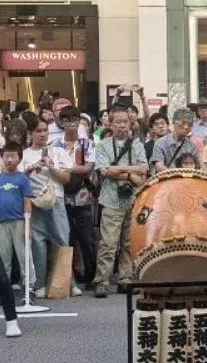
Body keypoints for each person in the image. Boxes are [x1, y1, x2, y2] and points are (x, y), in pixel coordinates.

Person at [21, 116, 79, 298]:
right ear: (30, 134)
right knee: (37, 244)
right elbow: (19, 179)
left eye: (45, 130)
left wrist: (50, 167)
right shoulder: (24, 154)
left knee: (63, 240)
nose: (43, 134)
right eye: (38, 131)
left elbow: (66, 179)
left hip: (56, 200)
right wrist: (31, 168)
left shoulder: (58, 152)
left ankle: (70, 282)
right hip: (34, 202)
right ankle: (40, 283)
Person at [93, 107, 148, 298]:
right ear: (110, 123)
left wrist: (119, 169)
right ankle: (101, 280)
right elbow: (103, 170)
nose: (122, 125)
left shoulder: (137, 144)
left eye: (125, 121)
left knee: (129, 242)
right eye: (118, 121)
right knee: (108, 243)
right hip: (110, 199)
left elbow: (143, 169)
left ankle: (126, 279)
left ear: (130, 122)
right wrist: (131, 173)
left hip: (134, 198)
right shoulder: (103, 145)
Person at [55, 106, 97, 289]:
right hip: (61, 195)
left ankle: (90, 276)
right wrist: (72, 170)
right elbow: (54, 171)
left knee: (87, 240)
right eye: (67, 121)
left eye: (74, 120)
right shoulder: (55, 145)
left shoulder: (87, 143)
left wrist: (67, 169)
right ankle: (68, 278)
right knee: (66, 239)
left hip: (83, 196)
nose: (71, 124)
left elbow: (88, 168)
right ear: (62, 123)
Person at [0, 142, 34, 293]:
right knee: (4, 258)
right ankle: (4, 290)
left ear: (19, 159)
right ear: (2, 158)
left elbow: (27, 202)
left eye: (13, 156)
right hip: (2, 223)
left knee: (24, 256)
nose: (9, 160)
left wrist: (28, 224)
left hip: (19, 221)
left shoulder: (23, 179)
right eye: (6, 156)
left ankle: (29, 287)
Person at [151, 108, 200, 173]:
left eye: (189, 124)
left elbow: (197, 167)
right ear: (174, 122)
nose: (186, 127)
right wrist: (177, 175)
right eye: (183, 123)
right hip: (167, 180)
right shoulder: (160, 143)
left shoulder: (192, 146)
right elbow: (158, 166)